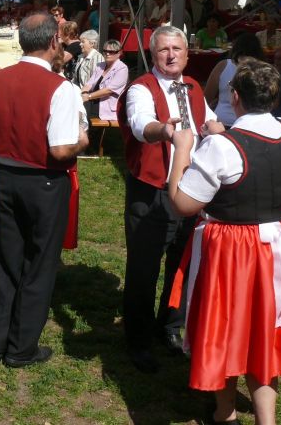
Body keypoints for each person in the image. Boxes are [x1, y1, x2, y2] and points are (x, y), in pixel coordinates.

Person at [166, 58, 281, 425]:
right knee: (264, 332)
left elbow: (183, 204)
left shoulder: (221, 147)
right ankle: (266, 419)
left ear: (235, 97)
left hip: (235, 250)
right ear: (274, 97)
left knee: (224, 328)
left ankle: (225, 413)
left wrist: (183, 150)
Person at [0, 13, 88, 368]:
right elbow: (61, 150)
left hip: (6, 176)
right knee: (40, 263)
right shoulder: (61, 87)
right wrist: (83, 141)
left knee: (6, 257)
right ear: (54, 41)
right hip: (45, 181)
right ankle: (21, 347)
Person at [116, 25, 218, 373]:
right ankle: (138, 340)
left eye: (177, 49)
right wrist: (165, 130)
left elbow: (209, 121)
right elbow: (140, 124)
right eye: (164, 50)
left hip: (191, 189)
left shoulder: (194, 87)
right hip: (152, 190)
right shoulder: (141, 88)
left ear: (187, 54)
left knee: (183, 263)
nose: (171, 55)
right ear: (153, 54)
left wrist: (219, 130)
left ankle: (170, 326)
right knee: (144, 268)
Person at [204, 32, 265, 127]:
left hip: (221, 121)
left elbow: (206, 98)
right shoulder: (264, 70)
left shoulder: (223, 65)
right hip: (251, 124)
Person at [81, 39, 128, 120]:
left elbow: (109, 90)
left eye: (111, 52)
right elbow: (89, 84)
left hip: (105, 107)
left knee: (82, 111)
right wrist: (82, 94)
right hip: (92, 100)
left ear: (119, 53)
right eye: (105, 51)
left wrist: (88, 96)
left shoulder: (122, 68)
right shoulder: (100, 66)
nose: (107, 53)